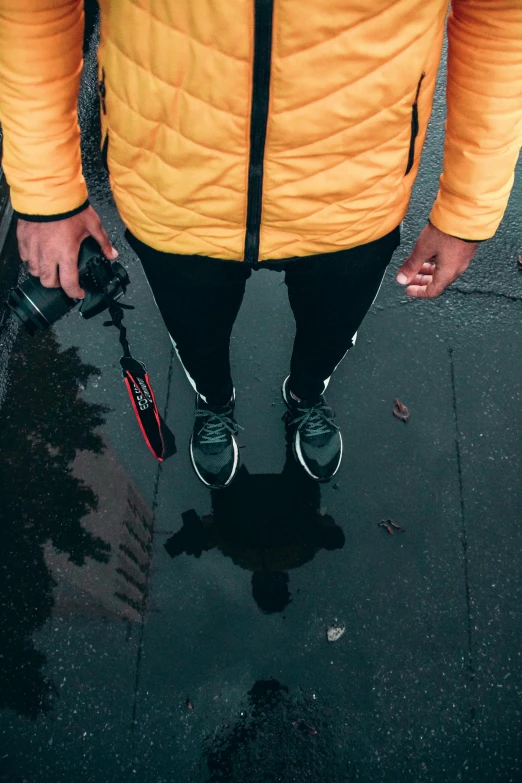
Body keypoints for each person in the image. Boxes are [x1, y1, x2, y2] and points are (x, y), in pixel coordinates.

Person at [0, 1, 521, 489]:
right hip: (172, 185)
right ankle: (215, 402)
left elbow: (500, 17)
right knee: (199, 340)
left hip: (355, 191)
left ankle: (305, 394)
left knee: (327, 334)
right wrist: (48, 193)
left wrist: (466, 208)